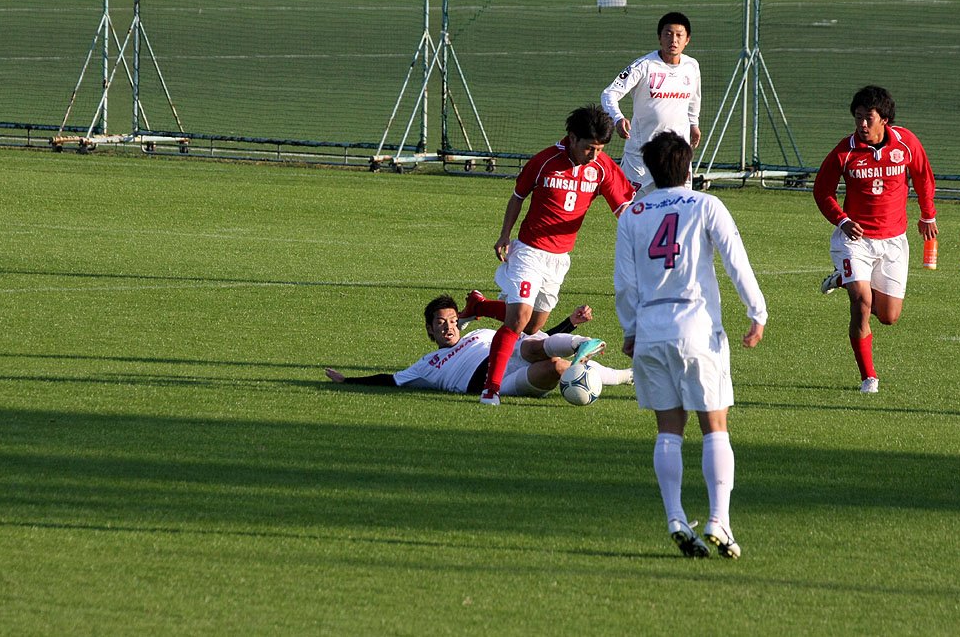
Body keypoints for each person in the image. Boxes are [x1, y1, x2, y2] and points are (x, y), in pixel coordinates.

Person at [614, 131, 766, 559]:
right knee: (714, 425)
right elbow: (736, 259)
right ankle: (719, 519)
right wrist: (757, 311)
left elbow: (624, 281)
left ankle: (676, 517)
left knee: (668, 429)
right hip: (697, 327)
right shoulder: (705, 204)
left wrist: (631, 329)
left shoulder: (633, 213)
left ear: (650, 169)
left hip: (651, 329)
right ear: (688, 167)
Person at [479, 104, 634, 406]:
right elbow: (518, 197)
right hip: (529, 252)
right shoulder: (545, 161)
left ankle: (480, 306)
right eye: (589, 148)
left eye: (599, 149)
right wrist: (504, 235)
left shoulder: (602, 167)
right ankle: (491, 389)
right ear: (572, 138)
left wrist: (641, 236)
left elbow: (623, 209)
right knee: (518, 320)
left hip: (559, 258)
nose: (594, 155)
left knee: (533, 327)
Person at [813, 85, 937, 395]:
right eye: (858, 118)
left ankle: (842, 279)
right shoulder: (845, 151)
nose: (862, 125)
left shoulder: (905, 143)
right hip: (855, 241)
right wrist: (842, 220)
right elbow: (822, 190)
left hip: (893, 241)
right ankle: (869, 378)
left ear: (884, 119)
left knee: (889, 317)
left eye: (868, 118)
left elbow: (923, 176)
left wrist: (928, 215)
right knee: (862, 302)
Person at [325, 294, 632, 398]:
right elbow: (390, 380)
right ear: (430, 330)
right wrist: (347, 380)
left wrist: (569, 324)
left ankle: (587, 348)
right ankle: (619, 375)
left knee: (526, 345)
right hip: (491, 382)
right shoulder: (426, 364)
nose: (448, 327)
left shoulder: (482, 333)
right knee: (556, 367)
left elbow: (538, 339)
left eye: (452, 320)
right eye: (440, 323)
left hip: (511, 356)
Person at [601, 11, 702, 198]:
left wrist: (694, 124)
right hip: (640, 155)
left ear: (687, 39)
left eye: (679, 35)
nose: (673, 40)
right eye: (668, 34)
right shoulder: (644, 65)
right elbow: (609, 93)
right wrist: (618, 118)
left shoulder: (692, 66)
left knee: (679, 205)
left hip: (677, 155)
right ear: (659, 38)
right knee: (632, 207)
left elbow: (694, 98)